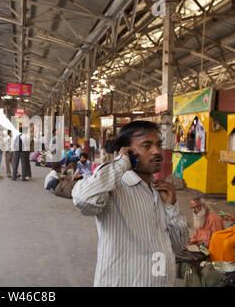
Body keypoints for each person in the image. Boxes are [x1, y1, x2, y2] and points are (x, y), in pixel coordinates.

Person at [72, 121, 189, 287]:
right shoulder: (112, 185)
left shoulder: (160, 191)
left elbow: (179, 245)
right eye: (146, 146)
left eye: (158, 144)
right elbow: (82, 199)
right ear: (128, 152)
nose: (156, 151)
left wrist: (171, 207)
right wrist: (121, 163)